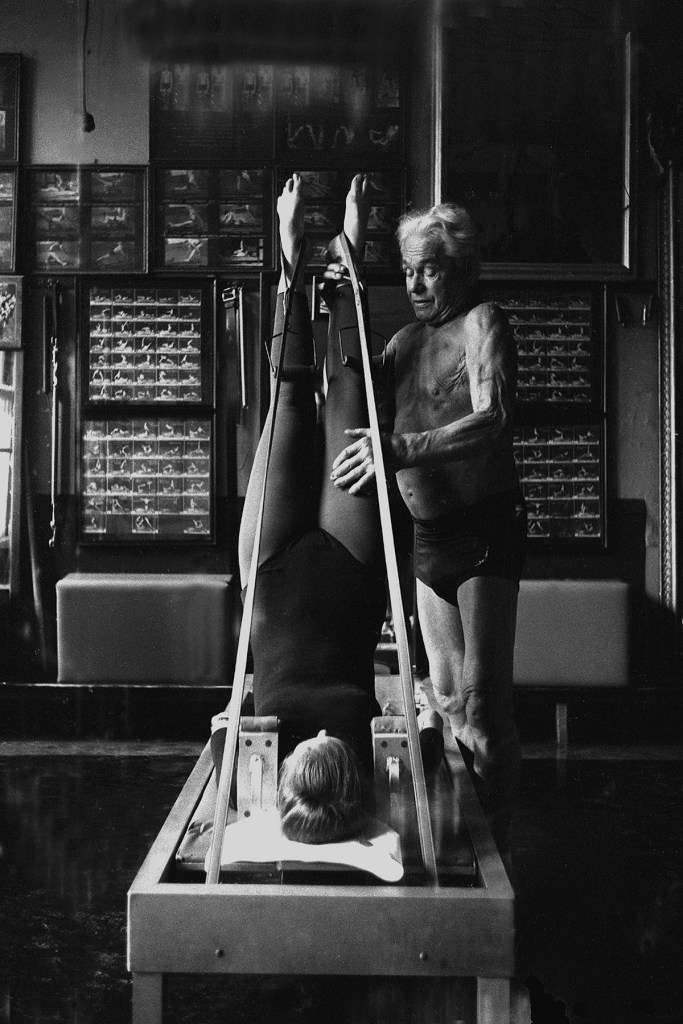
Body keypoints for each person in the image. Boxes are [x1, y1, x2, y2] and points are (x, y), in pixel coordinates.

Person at [328, 202, 527, 851]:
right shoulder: (403, 343)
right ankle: (466, 843)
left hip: (483, 528)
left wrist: (403, 450)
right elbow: (351, 375)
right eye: (408, 271)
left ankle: (498, 847)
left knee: (480, 705)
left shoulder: (482, 321)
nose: (414, 285)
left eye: (429, 270)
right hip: (427, 537)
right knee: (441, 700)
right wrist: (342, 277)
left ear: (463, 269)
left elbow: (493, 416)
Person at [236, 173, 387, 845]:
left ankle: (290, 257)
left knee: (291, 400)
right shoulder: (355, 768)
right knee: (349, 399)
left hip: (271, 573)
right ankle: (348, 259)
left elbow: (228, 749)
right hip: (349, 571)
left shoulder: (274, 769)